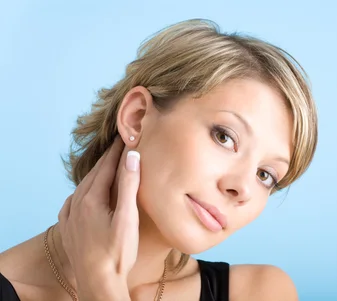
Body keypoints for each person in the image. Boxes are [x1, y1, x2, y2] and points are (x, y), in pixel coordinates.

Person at [0, 18, 318, 301]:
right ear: (137, 118)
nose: (242, 188)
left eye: (266, 175)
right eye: (225, 137)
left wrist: (100, 283)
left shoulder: (262, 292)